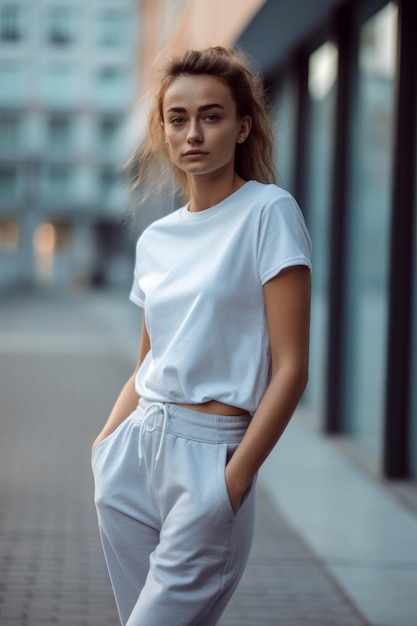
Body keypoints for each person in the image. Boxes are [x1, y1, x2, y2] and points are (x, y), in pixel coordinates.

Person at [91, 46, 312, 626]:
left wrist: (232, 482)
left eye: (211, 116)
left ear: (242, 127)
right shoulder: (156, 239)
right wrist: (105, 447)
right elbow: (148, 362)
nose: (194, 133)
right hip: (135, 456)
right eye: (178, 118)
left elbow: (291, 368)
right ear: (163, 131)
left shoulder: (269, 212)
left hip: (212, 456)